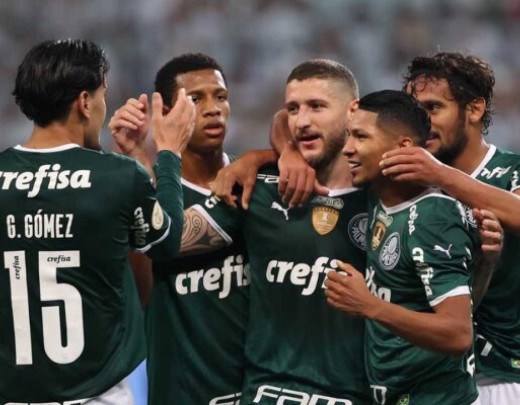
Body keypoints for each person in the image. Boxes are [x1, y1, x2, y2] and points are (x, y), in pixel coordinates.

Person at [0, 39, 194, 404]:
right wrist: (168, 152)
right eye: (103, 95)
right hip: (98, 392)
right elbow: (167, 243)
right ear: (85, 102)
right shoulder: (116, 177)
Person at [181, 59, 372, 404]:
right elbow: (166, 240)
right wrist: (151, 155)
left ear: (352, 111)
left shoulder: (384, 201)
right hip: (266, 394)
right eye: (294, 109)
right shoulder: (260, 192)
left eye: (317, 106)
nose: (302, 121)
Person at [325, 89, 484, 404]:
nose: (347, 149)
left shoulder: (432, 216)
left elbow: (458, 333)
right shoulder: (378, 192)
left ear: (403, 148)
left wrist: (369, 305)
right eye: (348, 136)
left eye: (360, 137)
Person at [379, 52, 520, 404]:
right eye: (414, 110)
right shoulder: (407, 184)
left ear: (473, 110)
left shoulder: (509, 170)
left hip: (501, 379)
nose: (421, 122)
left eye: (433, 108)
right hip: (428, 385)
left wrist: (441, 175)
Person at [109, 53, 250, 404]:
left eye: (220, 96)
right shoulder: (148, 198)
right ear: (167, 116)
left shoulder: (254, 184)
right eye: (196, 100)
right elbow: (139, 292)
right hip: (178, 393)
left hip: (255, 390)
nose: (214, 108)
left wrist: (267, 155)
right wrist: (138, 160)